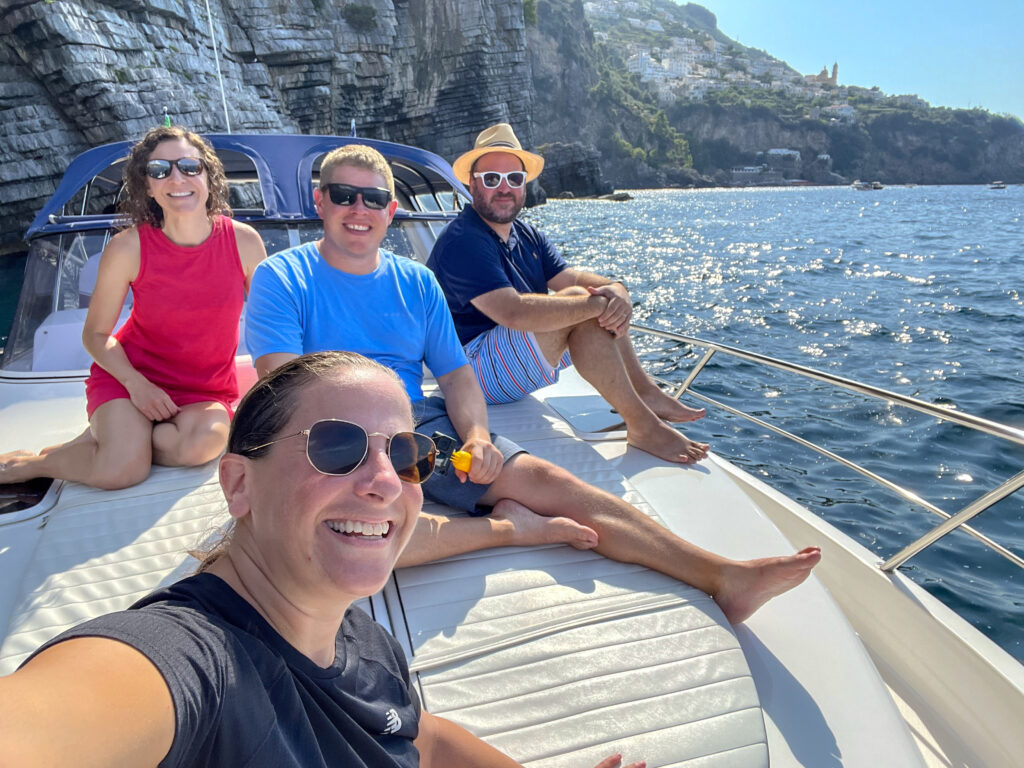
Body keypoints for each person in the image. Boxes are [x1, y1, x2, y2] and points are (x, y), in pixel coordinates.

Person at [244, 143, 821, 624]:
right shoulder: (283, 276)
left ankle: (721, 574)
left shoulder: (415, 281)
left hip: (411, 424)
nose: (358, 209)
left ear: (391, 209)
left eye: (373, 198)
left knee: (553, 481)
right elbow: (282, 385)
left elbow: (455, 374)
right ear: (320, 201)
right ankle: (505, 529)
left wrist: (476, 437)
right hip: (330, 432)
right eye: (344, 196)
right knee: (328, 540)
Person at [0, 350, 645, 768]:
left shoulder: (361, 640)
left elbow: (423, 740)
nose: (386, 483)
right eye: (336, 447)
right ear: (238, 484)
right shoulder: (187, 664)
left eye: (406, 453)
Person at [0, 126, 266, 490]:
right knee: (122, 472)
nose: (177, 178)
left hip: (204, 391)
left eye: (190, 166)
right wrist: (138, 386)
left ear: (209, 174)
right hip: (130, 378)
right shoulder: (129, 248)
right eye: (160, 170)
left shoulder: (244, 242)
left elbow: (271, 322)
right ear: (148, 185)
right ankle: (33, 464)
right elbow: (95, 335)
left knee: (204, 446)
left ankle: (118, 440)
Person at [427, 123, 708, 465]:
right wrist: (597, 301)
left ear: (524, 185)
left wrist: (617, 288)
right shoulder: (463, 240)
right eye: (491, 179)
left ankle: (646, 396)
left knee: (585, 305)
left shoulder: (527, 235)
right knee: (583, 303)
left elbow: (569, 276)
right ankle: (643, 421)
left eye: (513, 179)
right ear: (472, 185)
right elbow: (512, 312)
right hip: (468, 374)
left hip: (503, 363)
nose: (504, 188)